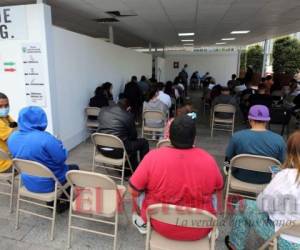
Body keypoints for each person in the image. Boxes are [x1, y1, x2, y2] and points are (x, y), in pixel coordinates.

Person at [129, 115, 223, 239]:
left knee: (137, 188)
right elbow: (219, 190)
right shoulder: (209, 161)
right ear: (194, 138)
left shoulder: (152, 157)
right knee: (215, 193)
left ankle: (143, 221)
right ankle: (214, 226)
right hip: (200, 227)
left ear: (169, 137)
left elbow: (133, 191)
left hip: (159, 224)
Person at [225, 131, 300, 250]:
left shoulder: (286, 176)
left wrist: (274, 183)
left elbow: (262, 205)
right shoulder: (278, 140)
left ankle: (235, 245)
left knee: (242, 205)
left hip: (283, 237)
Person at [8, 106, 79, 209]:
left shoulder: (12, 137)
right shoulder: (46, 138)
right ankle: (63, 201)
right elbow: (61, 158)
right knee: (74, 168)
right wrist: (59, 144)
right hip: (50, 184)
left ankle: (58, 200)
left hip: (28, 182)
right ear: (42, 119)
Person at [226, 105, 286, 184]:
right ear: (267, 121)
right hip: (268, 179)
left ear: (249, 119)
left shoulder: (237, 136)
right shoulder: (279, 139)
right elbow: (282, 162)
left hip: (240, 176)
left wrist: (226, 169)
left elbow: (228, 158)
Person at [97, 97, 149, 169]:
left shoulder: (103, 110)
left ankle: (130, 166)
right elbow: (134, 136)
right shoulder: (128, 116)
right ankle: (144, 169)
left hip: (101, 148)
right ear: (128, 108)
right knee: (143, 142)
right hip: (118, 152)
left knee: (127, 141)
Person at [0, 93, 17, 173]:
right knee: (31, 165)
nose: (4, 108)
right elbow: (13, 139)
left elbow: (16, 127)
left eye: (6, 106)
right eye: (0, 106)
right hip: (4, 164)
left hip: (8, 157)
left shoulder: (6, 117)